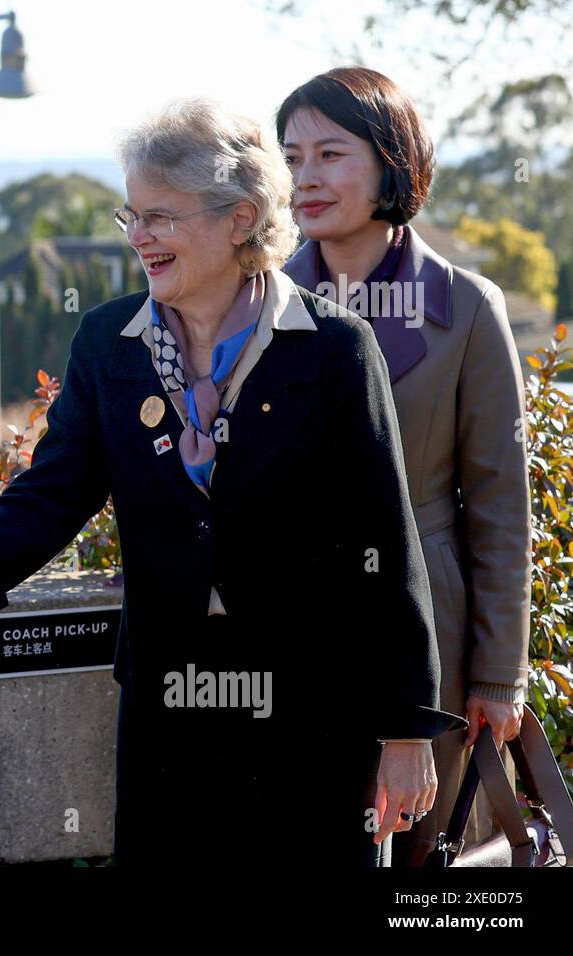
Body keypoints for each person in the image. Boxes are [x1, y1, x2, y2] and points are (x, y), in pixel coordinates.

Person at [0, 98, 467, 867]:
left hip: (313, 724)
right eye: (130, 215)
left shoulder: (336, 350)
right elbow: (49, 498)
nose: (139, 236)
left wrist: (406, 731)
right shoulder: (109, 343)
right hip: (168, 718)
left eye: (163, 217)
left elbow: (386, 546)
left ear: (241, 220)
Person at [277, 67, 530, 865]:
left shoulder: (466, 305)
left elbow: (499, 505)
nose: (305, 179)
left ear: (391, 161)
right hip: (292, 636)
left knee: (420, 863)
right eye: (291, 159)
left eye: (330, 153)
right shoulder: (260, 305)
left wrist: (497, 676)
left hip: (433, 641)